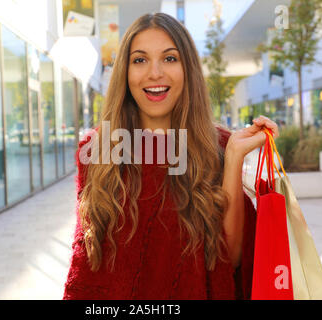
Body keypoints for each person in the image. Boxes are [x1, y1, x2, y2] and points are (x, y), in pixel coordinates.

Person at [63, 13, 279, 300]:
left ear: (187, 68)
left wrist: (234, 157)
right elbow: (86, 264)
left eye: (169, 58)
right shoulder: (97, 150)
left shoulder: (220, 146)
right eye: (139, 60)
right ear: (125, 73)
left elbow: (232, 260)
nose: (155, 73)